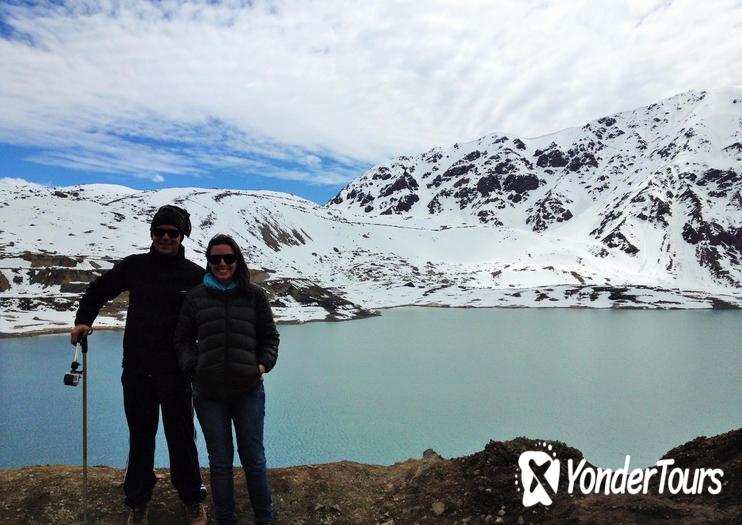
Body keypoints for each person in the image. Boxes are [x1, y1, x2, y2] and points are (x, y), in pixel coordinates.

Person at [70, 205, 208, 525]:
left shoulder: (195, 275)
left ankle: (191, 498)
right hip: (137, 369)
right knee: (141, 437)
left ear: (182, 236)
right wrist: (82, 321)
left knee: (182, 436)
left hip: (176, 372)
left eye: (171, 233)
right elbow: (99, 290)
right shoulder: (135, 266)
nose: (164, 238)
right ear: (151, 234)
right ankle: (138, 501)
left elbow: (213, 316)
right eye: (158, 232)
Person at [174, 234, 279, 525]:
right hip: (208, 394)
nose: (222, 264)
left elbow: (270, 337)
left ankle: (264, 519)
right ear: (208, 261)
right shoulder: (196, 297)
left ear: (237, 260)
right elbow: (182, 339)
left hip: (248, 390)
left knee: (254, 460)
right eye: (215, 258)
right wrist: (192, 367)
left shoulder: (254, 295)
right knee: (220, 464)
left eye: (228, 258)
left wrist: (261, 365)